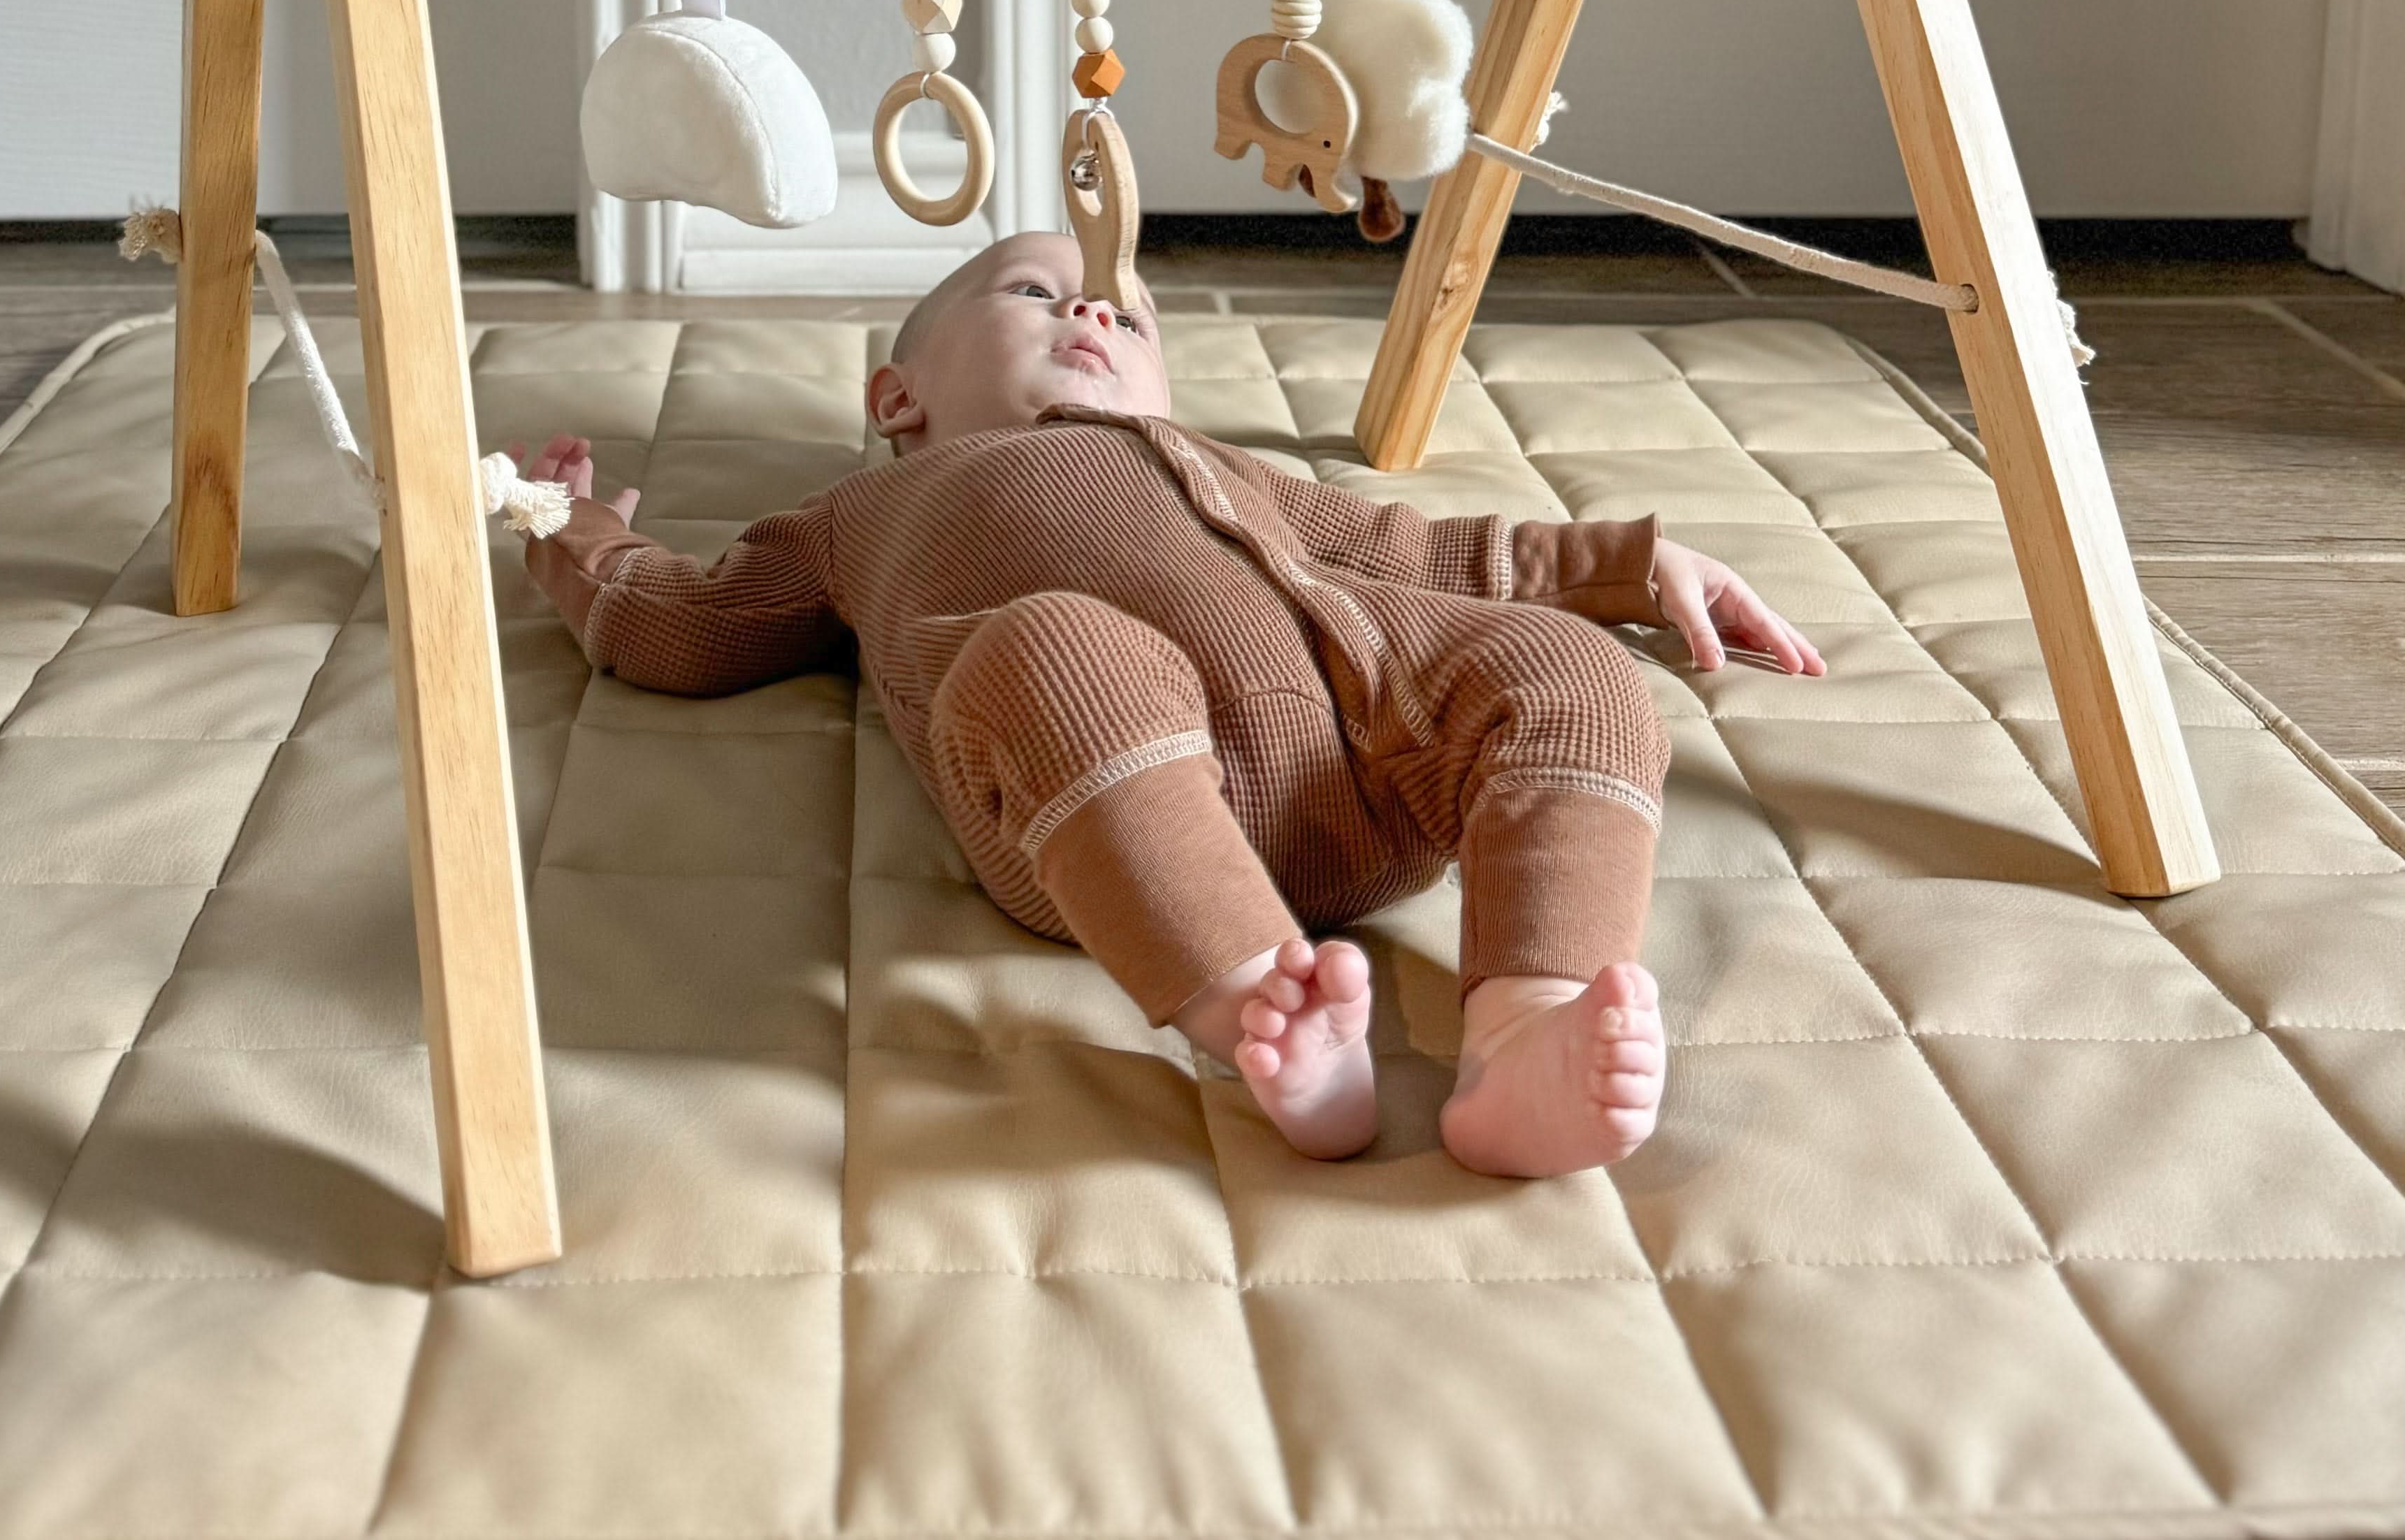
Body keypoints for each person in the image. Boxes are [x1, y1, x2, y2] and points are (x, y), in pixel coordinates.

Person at [518, 232, 1822, 1172]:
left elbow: (1423, 554)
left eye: (1125, 317)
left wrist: (1629, 566)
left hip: (1368, 763)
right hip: (1104, 811)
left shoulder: (1221, 467)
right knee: (1053, 648)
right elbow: (682, 626)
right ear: (898, 398)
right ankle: (1263, 1005)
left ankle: (1524, 1025)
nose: (1093, 315)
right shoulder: (865, 510)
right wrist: (566, 530)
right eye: (1039, 292)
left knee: (1559, 670)